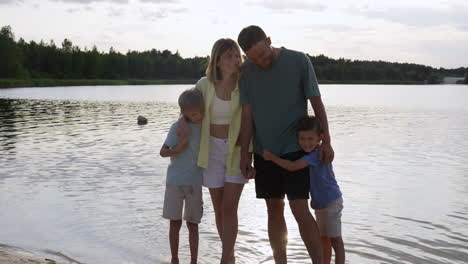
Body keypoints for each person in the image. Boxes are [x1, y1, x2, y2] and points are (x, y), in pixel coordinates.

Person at [237, 25, 335, 264]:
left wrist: (327, 141)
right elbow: (247, 116)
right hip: (265, 152)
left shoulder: (299, 61)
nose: (260, 61)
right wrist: (245, 155)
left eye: (262, 53)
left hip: (296, 149)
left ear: (269, 40)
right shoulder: (247, 71)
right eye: (253, 58)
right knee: (273, 208)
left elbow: (317, 103)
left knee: (300, 209)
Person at [194, 38, 252, 264]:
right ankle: (230, 255)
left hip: (237, 150)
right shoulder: (203, 85)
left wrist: (249, 151)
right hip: (210, 150)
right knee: (219, 209)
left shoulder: (245, 84)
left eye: (237, 55)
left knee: (229, 207)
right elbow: (188, 114)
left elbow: (251, 119)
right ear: (217, 61)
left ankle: (225, 258)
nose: (235, 60)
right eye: (229, 56)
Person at [263, 116, 344, 264]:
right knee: (324, 238)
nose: (306, 143)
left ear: (321, 138)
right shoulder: (311, 152)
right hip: (320, 204)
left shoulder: (316, 154)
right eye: (302, 139)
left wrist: (271, 157)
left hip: (332, 202)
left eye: (310, 139)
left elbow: (293, 166)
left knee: (336, 240)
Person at [160, 88, 205, 264]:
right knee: (175, 223)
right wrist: (180, 147)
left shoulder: (205, 127)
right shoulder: (177, 127)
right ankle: (175, 259)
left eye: (200, 113)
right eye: (193, 114)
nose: (198, 116)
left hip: (195, 182)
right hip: (175, 182)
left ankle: (194, 261)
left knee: (193, 225)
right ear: (184, 113)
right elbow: (163, 152)